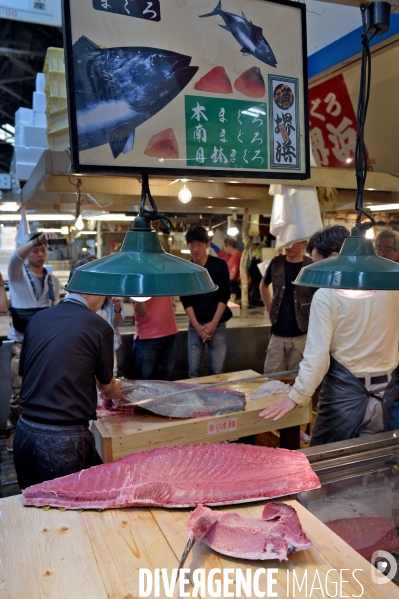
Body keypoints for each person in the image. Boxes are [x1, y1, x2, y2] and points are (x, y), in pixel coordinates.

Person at [259, 227, 399, 446]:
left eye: (316, 264)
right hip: (385, 397)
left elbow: (317, 357)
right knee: (372, 468)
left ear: (334, 258)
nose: (315, 272)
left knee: (330, 465)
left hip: (343, 402)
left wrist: (296, 397)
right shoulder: (392, 287)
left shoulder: (326, 295)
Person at [12, 289, 123, 489]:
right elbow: (107, 387)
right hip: (64, 443)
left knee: (31, 504)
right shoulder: (99, 326)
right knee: (68, 513)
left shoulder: (38, 319)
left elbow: (24, 373)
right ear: (96, 291)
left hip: (25, 432)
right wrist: (121, 391)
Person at [6, 232, 60, 452]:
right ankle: (13, 430)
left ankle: (43, 431)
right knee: (18, 390)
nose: (39, 254)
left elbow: (55, 310)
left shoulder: (53, 280)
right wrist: (34, 241)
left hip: (44, 344)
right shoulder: (17, 275)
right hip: (21, 343)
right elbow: (14, 259)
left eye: (43, 250)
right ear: (28, 251)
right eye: (35, 250)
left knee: (46, 388)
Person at [181, 226, 232, 378]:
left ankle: (215, 401)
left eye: (199, 244)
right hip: (195, 326)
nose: (195, 249)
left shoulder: (219, 265)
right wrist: (197, 326)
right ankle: (195, 402)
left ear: (207, 244)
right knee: (193, 371)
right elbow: (185, 299)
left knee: (216, 371)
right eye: (191, 245)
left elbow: (224, 295)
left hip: (217, 324)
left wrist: (214, 323)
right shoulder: (186, 269)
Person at [259, 241, 315, 375]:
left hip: (301, 332)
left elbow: (319, 293)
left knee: (297, 378)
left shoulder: (311, 265)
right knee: (271, 376)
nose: (290, 247)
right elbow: (263, 285)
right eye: (287, 243)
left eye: (294, 243)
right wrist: (269, 307)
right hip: (278, 332)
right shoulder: (276, 262)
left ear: (303, 244)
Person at [69, 257, 124, 376]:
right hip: (84, 351)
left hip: (108, 350)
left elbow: (116, 323)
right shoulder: (75, 305)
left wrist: (117, 307)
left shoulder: (110, 298)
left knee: (108, 379)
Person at [131, 297, 178, 380]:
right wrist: (139, 297)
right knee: (145, 381)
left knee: (167, 380)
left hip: (169, 334)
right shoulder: (138, 284)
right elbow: (141, 313)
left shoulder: (167, 283)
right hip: (147, 338)